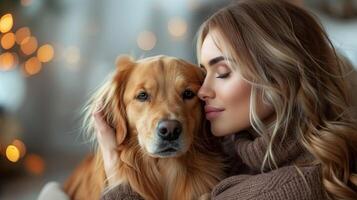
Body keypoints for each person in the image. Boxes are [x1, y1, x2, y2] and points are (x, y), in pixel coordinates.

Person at [96, 0, 357, 199]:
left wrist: (118, 177)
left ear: (277, 79)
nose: (202, 90)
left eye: (222, 73)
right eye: (204, 71)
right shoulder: (237, 154)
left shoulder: (287, 189)